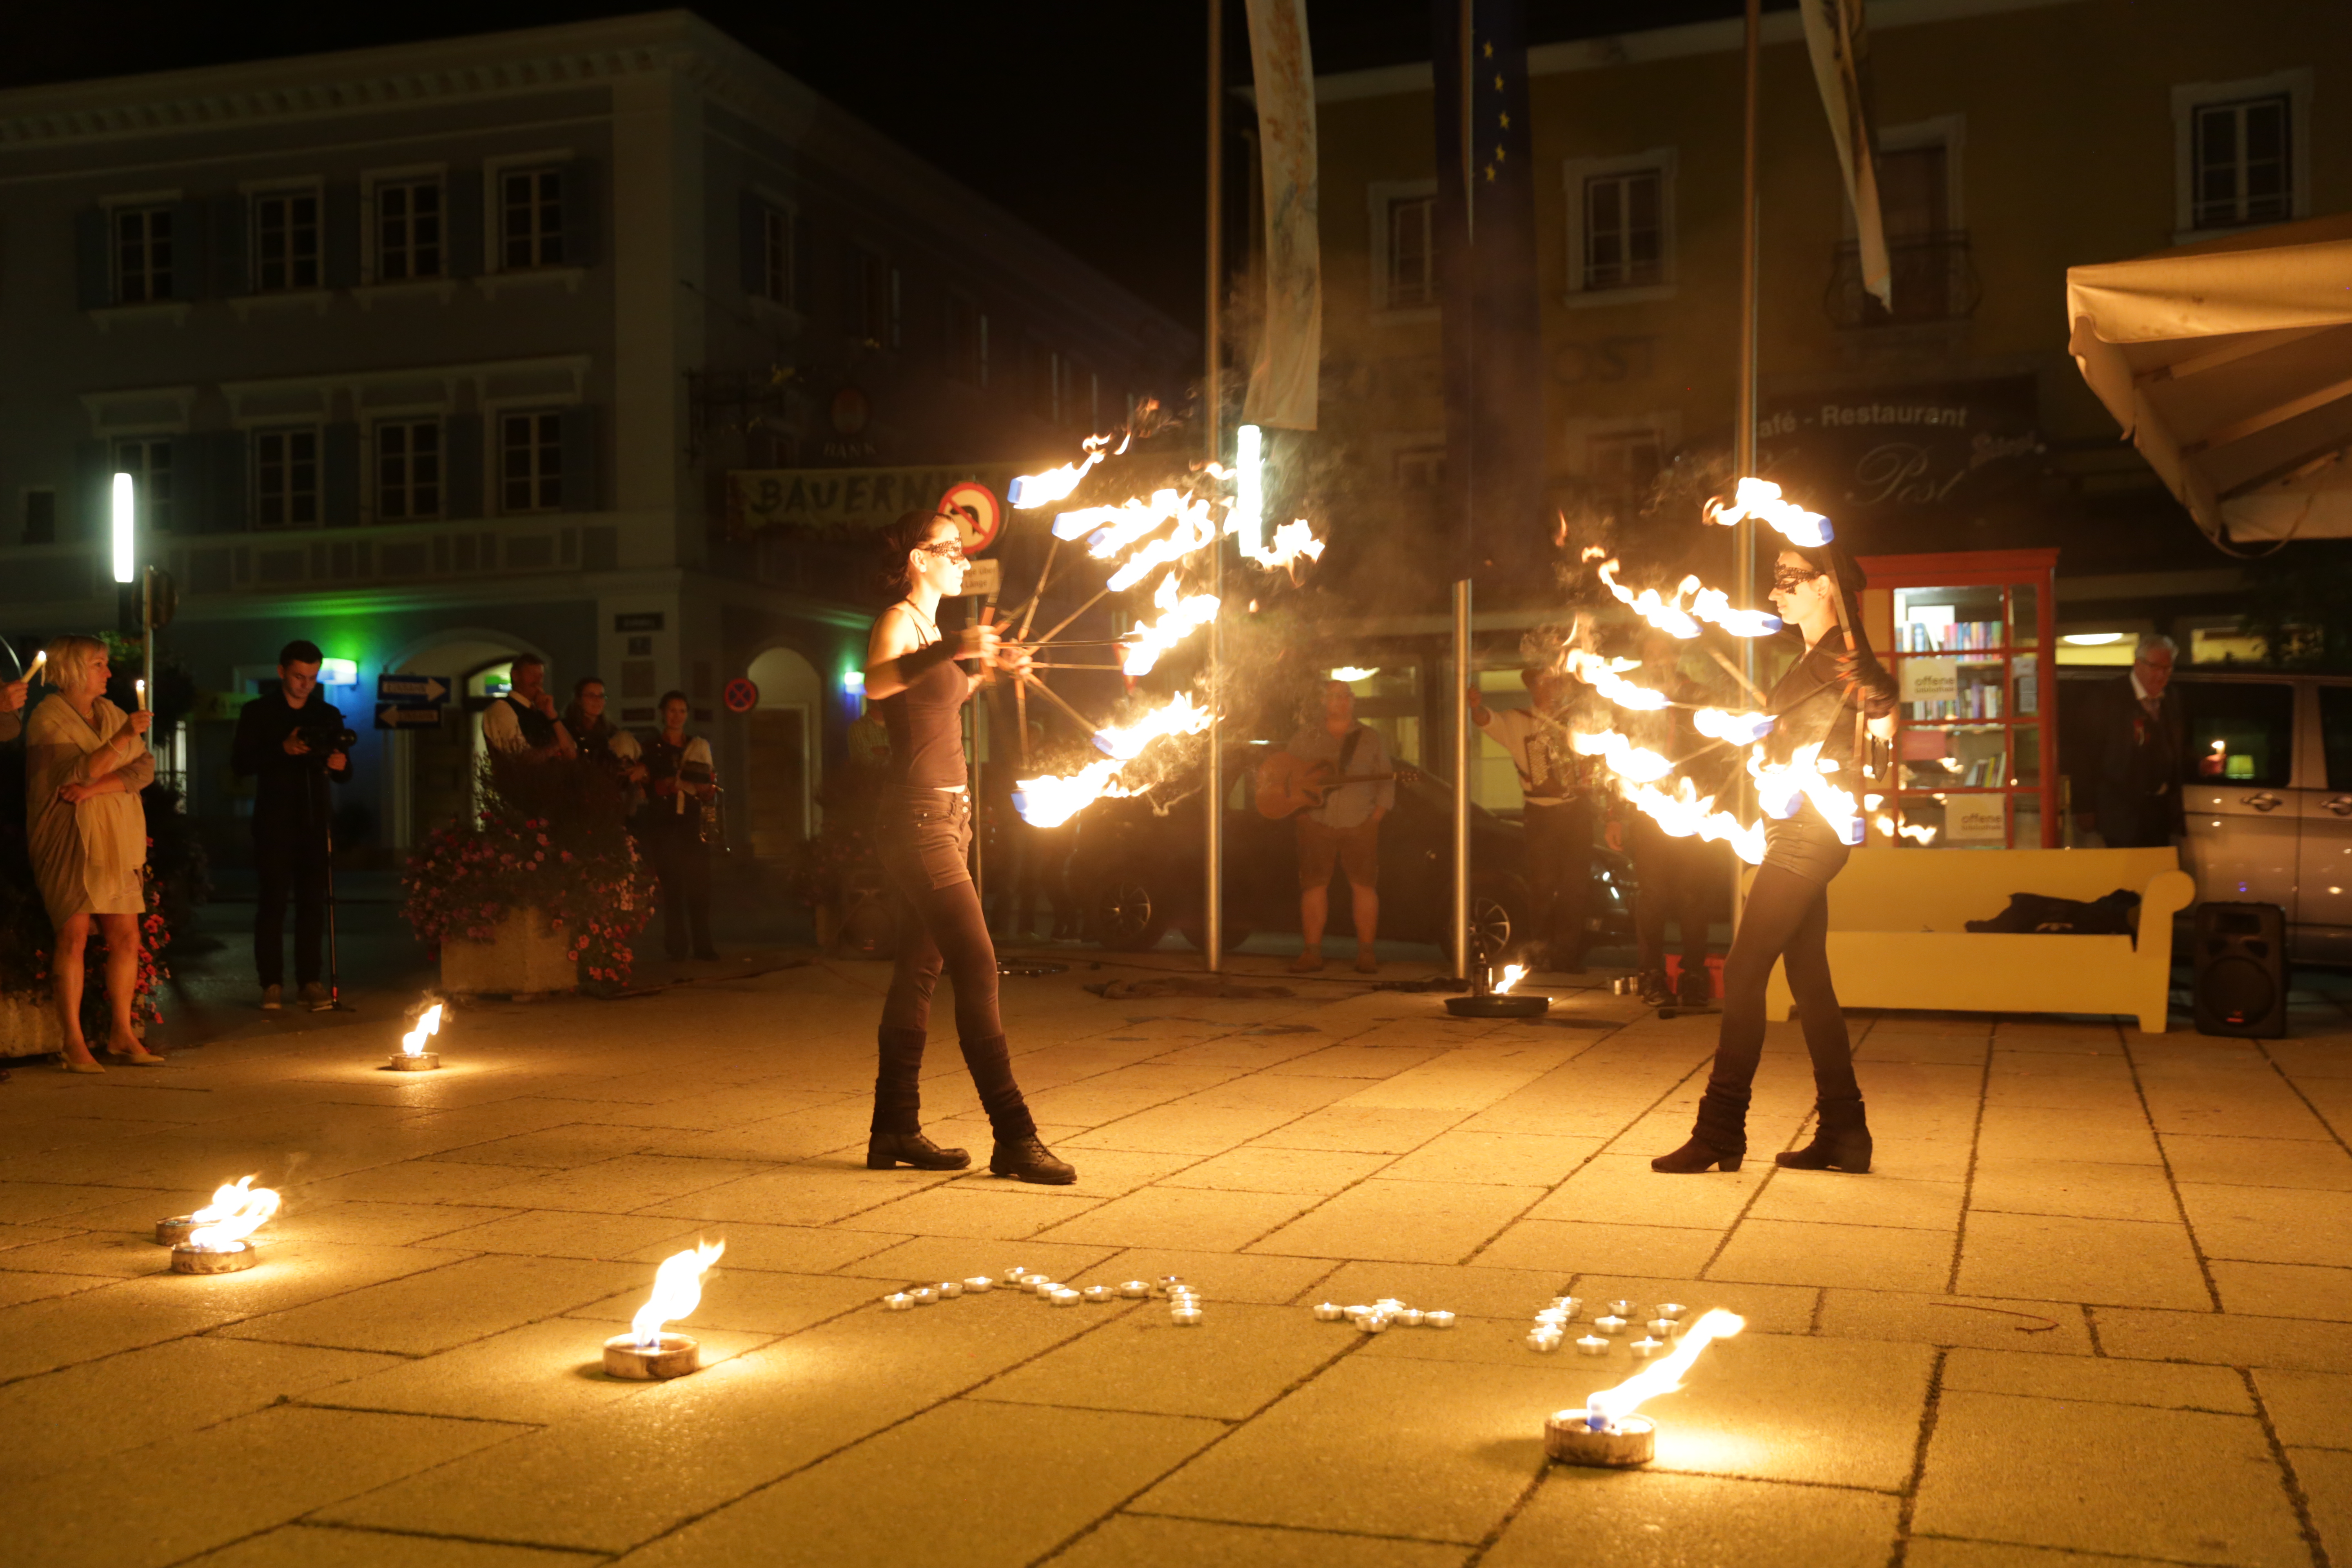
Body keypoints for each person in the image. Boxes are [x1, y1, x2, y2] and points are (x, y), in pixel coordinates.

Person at [1654, 540, 1897, 1177]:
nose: (1776, 591)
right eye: (1776, 579)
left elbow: (1887, 720)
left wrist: (1882, 695)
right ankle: (1846, 1132)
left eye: (1791, 578)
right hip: (1791, 828)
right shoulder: (1809, 659)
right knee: (1809, 980)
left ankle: (1721, 1130)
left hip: (1812, 835)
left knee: (1742, 970)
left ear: (1827, 587)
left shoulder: (1847, 653)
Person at [862, 508, 1072, 1184]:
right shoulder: (900, 620)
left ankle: (894, 1127)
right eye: (949, 549)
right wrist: (958, 644)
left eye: (962, 550)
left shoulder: (931, 632)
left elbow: (938, 693)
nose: (961, 559)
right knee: (978, 967)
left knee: (919, 971)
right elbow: (879, 685)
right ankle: (1014, 1135)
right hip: (917, 820)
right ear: (919, 560)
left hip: (950, 818)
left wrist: (994, 668)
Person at [26, 635, 160, 1070]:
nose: (108, 672)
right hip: (69, 836)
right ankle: (73, 1041)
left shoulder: (110, 713)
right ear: (73, 670)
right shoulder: (49, 716)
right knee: (75, 935)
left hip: (115, 836)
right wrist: (121, 741)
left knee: (126, 935)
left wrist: (96, 788)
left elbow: (142, 768)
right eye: (99, 664)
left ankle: (122, 1033)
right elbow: (74, 773)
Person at [230, 639, 352, 1012]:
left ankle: (310, 982)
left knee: (313, 904)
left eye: (312, 678)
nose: (305, 684)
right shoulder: (258, 712)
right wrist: (282, 749)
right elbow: (240, 763)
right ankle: (271, 983)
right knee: (273, 904)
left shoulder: (326, 714)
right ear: (282, 671)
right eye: (299, 676)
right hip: (274, 822)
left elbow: (344, 769)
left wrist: (341, 767)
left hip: (315, 820)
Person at [1609, 630, 1722, 1007]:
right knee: (1653, 897)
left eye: (1662, 653)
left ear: (1675, 658)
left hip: (1694, 810)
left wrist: (1715, 800)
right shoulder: (1633, 703)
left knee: (1693, 897)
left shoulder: (1697, 697)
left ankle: (1693, 976)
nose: (1656, 660)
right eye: (1649, 653)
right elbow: (1616, 759)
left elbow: (1719, 755)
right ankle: (1652, 976)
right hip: (1648, 811)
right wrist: (1614, 815)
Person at [1471, 664, 1599, 971]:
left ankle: (1566, 956)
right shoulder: (1518, 721)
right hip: (1541, 813)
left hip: (1577, 812)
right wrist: (1475, 707)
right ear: (1533, 688)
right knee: (1542, 886)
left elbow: (1595, 762)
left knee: (1575, 887)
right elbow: (1487, 720)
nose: (1550, 688)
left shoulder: (1577, 722)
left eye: (1554, 682)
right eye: (1544, 683)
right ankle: (1540, 952)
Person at [1281, 679, 1395, 975]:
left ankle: (1367, 954)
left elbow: (1386, 778)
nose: (1341, 702)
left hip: (1361, 822)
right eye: (1334, 697)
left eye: (1346, 696)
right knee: (1314, 886)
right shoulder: (1307, 737)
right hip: (1316, 823)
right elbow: (1284, 776)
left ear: (1353, 701)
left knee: (1364, 886)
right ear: (1324, 702)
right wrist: (1301, 814)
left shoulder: (1370, 738)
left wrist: (1376, 816)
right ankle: (1311, 953)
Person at [2080, 633, 2185, 850]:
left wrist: (2200, 764)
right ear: (2138, 664)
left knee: (2157, 877)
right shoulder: (2108, 697)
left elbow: (2175, 747)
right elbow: (2087, 755)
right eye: (2155, 667)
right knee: (2127, 879)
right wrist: (2085, 806)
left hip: (2159, 811)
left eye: (2167, 668)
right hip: (2121, 812)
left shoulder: (2171, 698)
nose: (2161, 675)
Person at [637, 692, 718, 962]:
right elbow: (648, 786)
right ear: (663, 713)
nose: (677, 716)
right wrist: (668, 784)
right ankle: (676, 946)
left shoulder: (696, 747)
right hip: (665, 823)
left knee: (700, 886)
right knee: (672, 887)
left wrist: (706, 789)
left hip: (692, 823)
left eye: (682, 711)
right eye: (672, 710)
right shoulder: (651, 749)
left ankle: (704, 945)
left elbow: (708, 785)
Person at [482, 655, 576, 760]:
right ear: (515, 676)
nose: (538, 680)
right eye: (532, 674)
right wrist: (557, 747)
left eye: (541, 675)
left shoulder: (541, 713)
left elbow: (571, 752)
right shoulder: (501, 708)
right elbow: (522, 756)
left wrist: (552, 715)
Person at [564, 676, 645, 795]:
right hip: (576, 792)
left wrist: (640, 769)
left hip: (607, 796)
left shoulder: (611, 731)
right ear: (579, 699)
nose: (597, 701)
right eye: (591, 696)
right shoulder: (567, 728)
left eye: (601, 696)